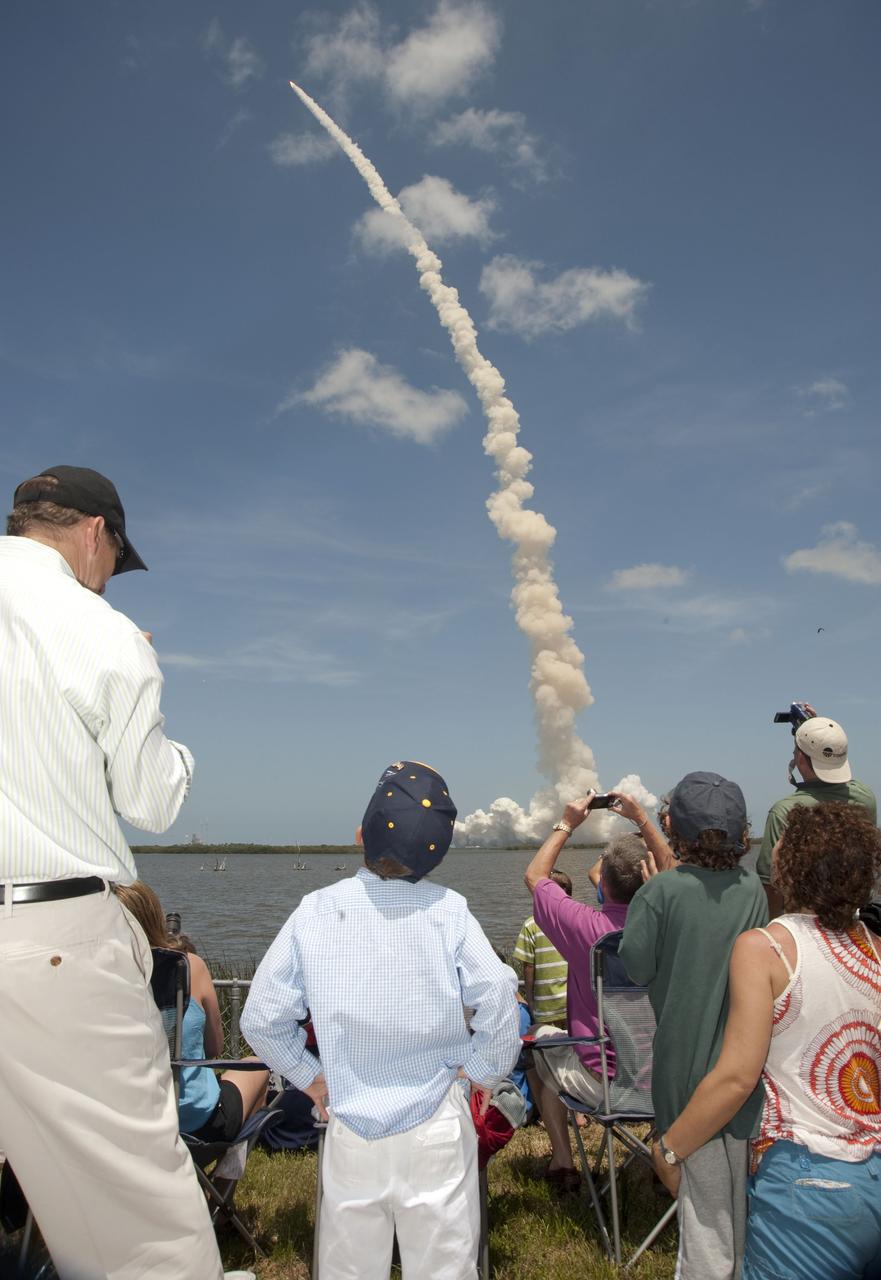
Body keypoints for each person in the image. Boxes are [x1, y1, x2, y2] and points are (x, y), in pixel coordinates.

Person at [0, 467, 225, 1280]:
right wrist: (153, 711)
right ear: (95, 533)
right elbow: (152, 798)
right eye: (113, 558)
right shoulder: (99, 629)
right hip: (53, 943)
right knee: (142, 1226)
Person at [241, 760, 520, 1280]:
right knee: (444, 1266)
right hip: (437, 1118)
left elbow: (261, 1019)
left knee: (350, 1265)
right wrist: (482, 1071)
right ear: (437, 856)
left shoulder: (315, 910)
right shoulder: (451, 911)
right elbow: (501, 992)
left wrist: (309, 1078)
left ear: (359, 837)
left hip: (352, 1123)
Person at [653, 804, 881, 1280]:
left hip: (807, 1182)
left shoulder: (766, 948)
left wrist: (671, 1149)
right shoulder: (874, 948)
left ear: (791, 868)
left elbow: (737, 1077)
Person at [619, 771, 768, 1280]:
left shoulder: (659, 894)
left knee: (704, 1226)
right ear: (741, 833)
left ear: (675, 830)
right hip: (745, 1075)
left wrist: (648, 898)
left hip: (684, 1079)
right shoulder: (752, 888)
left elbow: (636, 967)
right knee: (740, 1214)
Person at [522, 796, 648, 1191]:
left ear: (603, 882)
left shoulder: (585, 928)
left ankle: (563, 1162)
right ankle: (656, 1157)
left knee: (541, 1043)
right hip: (670, 1082)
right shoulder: (676, 929)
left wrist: (567, 822)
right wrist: (643, 821)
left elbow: (535, 877)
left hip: (605, 1084)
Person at [116, 880, 270, 1141]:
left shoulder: (97, 975)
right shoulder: (190, 967)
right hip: (193, 1120)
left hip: (123, 1123)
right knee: (257, 1066)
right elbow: (214, 1050)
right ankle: (224, 1176)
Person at [758, 710, 876, 917]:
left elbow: (771, 886)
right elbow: (841, 776)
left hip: (804, 921)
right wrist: (818, 732)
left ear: (800, 759)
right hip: (851, 917)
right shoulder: (865, 797)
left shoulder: (784, 811)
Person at [513, 869, 572, 1026]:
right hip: (574, 1005)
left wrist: (530, 1001)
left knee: (549, 1047)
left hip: (545, 1008)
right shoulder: (575, 922)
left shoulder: (531, 925)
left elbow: (529, 967)